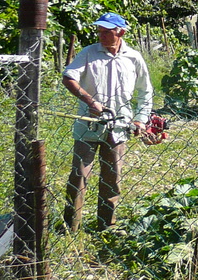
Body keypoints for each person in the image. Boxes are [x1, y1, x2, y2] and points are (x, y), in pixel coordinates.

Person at [61, 12, 153, 232]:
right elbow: (69, 77)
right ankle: (70, 227)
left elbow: (145, 91)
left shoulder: (133, 57)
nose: (101, 35)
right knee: (79, 176)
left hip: (119, 128)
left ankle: (105, 226)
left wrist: (140, 120)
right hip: (88, 127)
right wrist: (90, 101)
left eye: (107, 31)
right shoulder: (89, 53)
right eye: (99, 31)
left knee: (112, 179)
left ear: (120, 32)